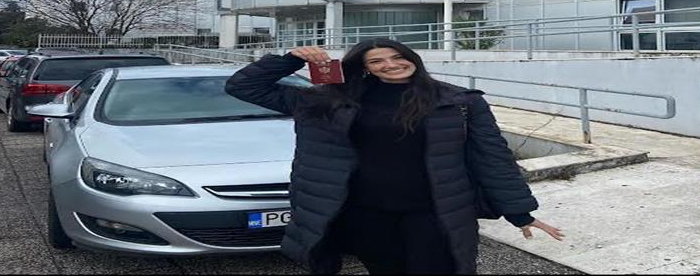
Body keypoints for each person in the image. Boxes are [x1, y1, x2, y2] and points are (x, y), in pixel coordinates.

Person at [225, 38, 563, 275]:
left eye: (397, 57)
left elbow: (492, 156)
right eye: (377, 61)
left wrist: (518, 211)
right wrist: (290, 59)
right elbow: (243, 87)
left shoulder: (459, 101)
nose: (390, 65)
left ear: (412, 58)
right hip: (365, 212)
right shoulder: (328, 101)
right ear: (365, 68)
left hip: (434, 212)